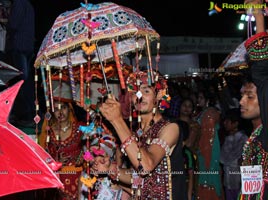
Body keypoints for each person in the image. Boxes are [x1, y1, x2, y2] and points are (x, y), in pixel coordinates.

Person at [97, 71, 186, 199]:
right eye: (134, 92)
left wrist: (117, 121)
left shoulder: (170, 128)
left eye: (146, 91)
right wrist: (110, 168)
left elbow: (146, 166)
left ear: (159, 95)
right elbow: (139, 179)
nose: (139, 96)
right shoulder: (134, 134)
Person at [237, 0, 268, 198]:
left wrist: (258, 18)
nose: (241, 102)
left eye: (249, 96)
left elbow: (261, 70)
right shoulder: (255, 136)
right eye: (242, 95)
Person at [39, 100, 86, 200]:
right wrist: (56, 161)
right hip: (59, 179)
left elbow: (94, 146)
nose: (60, 112)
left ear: (69, 109)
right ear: (51, 112)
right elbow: (44, 158)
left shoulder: (80, 128)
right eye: (56, 109)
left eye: (63, 108)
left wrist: (85, 156)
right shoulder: (48, 133)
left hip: (80, 177)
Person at [7, 0, 35, 127]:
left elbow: (13, 25)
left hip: (20, 46)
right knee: (26, 81)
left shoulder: (19, 2)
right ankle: (28, 114)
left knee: (21, 83)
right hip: (27, 46)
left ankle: (27, 115)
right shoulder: (28, 4)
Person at [194, 89, 224, 200]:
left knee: (208, 174)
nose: (198, 100)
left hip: (209, 149)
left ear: (207, 100)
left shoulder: (209, 113)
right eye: (198, 97)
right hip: (204, 148)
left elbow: (208, 136)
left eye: (201, 97)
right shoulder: (203, 112)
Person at [220, 108, 248, 200]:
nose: (225, 123)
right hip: (228, 182)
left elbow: (236, 160)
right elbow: (222, 159)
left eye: (227, 121)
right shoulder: (228, 138)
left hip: (239, 182)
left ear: (235, 123)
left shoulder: (243, 139)